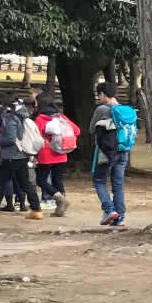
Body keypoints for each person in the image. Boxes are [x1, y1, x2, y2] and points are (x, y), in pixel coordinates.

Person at [88, 80, 132, 227]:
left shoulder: (102, 109)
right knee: (118, 185)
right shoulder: (125, 110)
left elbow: (91, 129)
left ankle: (109, 210)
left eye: (99, 94)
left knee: (99, 180)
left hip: (106, 151)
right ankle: (120, 217)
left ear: (102, 94)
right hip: (124, 150)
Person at [0, 94, 42, 219]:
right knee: (25, 183)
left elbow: (10, 138)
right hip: (21, 154)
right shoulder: (21, 116)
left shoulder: (9, 118)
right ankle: (36, 209)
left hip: (11, 154)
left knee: (1, 181)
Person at [33, 92, 79, 217]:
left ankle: (59, 198)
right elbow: (77, 130)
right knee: (57, 180)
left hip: (46, 153)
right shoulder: (61, 117)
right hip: (62, 152)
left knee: (41, 180)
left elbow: (35, 135)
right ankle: (61, 207)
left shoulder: (40, 118)